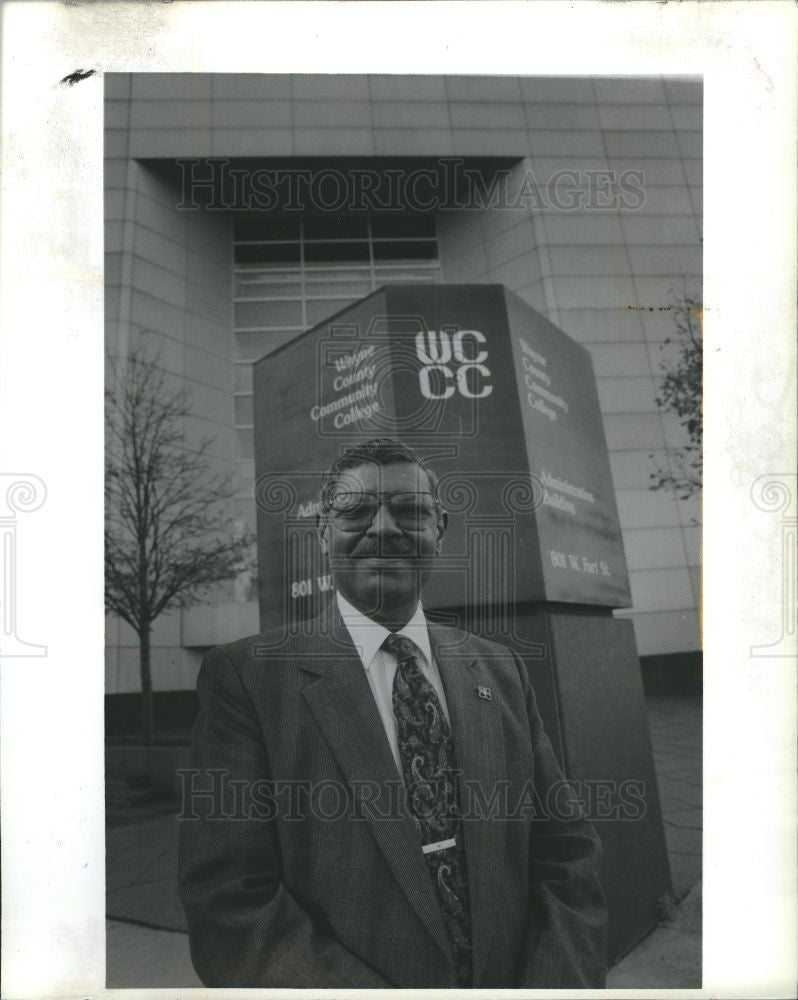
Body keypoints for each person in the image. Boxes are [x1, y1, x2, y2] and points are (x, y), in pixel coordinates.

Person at [178, 437, 607, 988]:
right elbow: (229, 905)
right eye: (356, 512)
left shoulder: (500, 670)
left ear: (439, 531)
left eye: (410, 510)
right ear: (322, 532)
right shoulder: (248, 680)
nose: (384, 528)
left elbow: (567, 857)